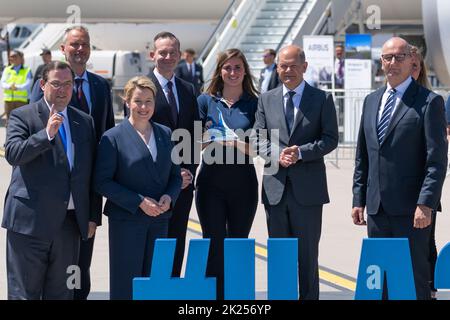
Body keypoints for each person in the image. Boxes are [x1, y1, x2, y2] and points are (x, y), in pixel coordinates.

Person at [352, 37, 448, 300]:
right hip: (377, 209)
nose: (393, 63)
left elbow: (436, 160)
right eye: (387, 57)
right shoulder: (372, 101)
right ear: (381, 62)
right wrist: (358, 199)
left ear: (411, 60)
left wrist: (426, 204)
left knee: (413, 280)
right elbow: (364, 155)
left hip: (411, 210)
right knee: (380, 282)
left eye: (399, 57)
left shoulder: (429, 102)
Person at [29, 26, 115, 300]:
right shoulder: (44, 84)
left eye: (85, 44)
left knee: (81, 263)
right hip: (52, 194)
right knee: (54, 266)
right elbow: (35, 128)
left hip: (87, 188)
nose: (80, 49)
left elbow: (107, 137)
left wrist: (95, 206)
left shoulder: (100, 87)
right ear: (63, 49)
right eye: (74, 44)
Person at [2, 61, 100, 299]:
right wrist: (46, 135)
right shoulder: (22, 115)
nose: (63, 89)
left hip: (68, 227)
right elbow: (13, 153)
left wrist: (92, 216)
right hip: (30, 224)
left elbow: (90, 173)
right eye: (56, 83)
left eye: (68, 84)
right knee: (24, 293)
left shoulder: (84, 121)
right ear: (43, 84)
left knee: (63, 293)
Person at [251, 45, 338, 300]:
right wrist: (277, 153)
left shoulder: (322, 99)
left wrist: (300, 152)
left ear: (304, 67)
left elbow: (330, 138)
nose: (288, 70)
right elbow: (258, 136)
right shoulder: (266, 99)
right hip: (275, 190)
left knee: (308, 257)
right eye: (283, 66)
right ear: (277, 68)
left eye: (293, 65)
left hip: (308, 193)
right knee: (279, 256)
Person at [94, 76, 182, 300]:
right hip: (127, 220)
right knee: (127, 283)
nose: (143, 107)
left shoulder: (165, 133)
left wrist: (169, 197)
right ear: (127, 101)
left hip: (160, 220)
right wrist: (139, 201)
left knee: (156, 284)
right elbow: (102, 182)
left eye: (148, 101)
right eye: (138, 101)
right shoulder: (112, 137)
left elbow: (175, 176)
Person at [196, 48, 259, 299]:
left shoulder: (256, 103)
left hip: (243, 185)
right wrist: (210, 137)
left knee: (237, 245)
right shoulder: (205, 101)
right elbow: (191, 145)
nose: (232, 72)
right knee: (213, 244)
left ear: (245, 72)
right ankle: (213, 300)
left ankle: (236, 298)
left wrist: (232, 141)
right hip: (211, 184)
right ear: (219, 71)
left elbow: (258, 148)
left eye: (237, 68)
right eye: (227, 68)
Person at [146, 31, 200, 278]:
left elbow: (194, 134)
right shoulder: (142, 88)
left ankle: (173, 290)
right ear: (152, 55)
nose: (167, 57)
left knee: (177, 239)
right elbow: (140, 137)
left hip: (183, 183)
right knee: (155, 245)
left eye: (172, 52)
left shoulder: (188, 89)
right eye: (162, 52)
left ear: (180, 55)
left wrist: (188, 171)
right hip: (153, 182)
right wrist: (170, 173)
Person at [1, 50, 32, 126]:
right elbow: (2, 82)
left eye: (14, 56)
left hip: (21, 101)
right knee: (9, 123)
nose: (12, 58)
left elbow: (28, 84)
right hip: (9, 101)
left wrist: (17, 88)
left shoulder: (27, 70)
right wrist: (9, 86)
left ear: (20, 58)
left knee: (22, 122)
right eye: (11, 56)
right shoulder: (7, 69)